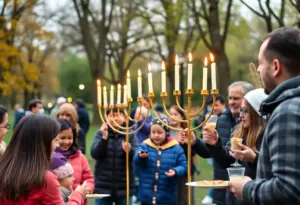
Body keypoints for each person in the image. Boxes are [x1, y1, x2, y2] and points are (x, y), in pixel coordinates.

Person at [228, 28, 300, 204]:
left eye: (260, 63)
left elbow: (288, 190)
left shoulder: (288, 110)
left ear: (275, 66)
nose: (258, 70)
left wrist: (246, 188)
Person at [0, 115, 87, 205]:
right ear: (42, 144)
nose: (57, 145)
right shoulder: (45, 180)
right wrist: (78, 195)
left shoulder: (4, 171)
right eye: (55, 140)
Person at [203, 89, 267, 205]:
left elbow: (273, 169)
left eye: (245, 111)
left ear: (257, 113)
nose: (241, 115)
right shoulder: (239, 131)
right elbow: (228, 159)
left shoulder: (267, 135)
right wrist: (215, 144)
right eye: (241, 110)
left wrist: (254, 158)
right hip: (233, 198)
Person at [208, 81, 253, 205]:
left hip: (247, 192)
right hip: (223, 189)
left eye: (236, 98)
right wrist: (198, 143)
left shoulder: (256, 128)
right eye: (230, 98)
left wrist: (254, 158)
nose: (232, 102)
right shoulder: (221, 119)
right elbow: (222, 155)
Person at [134, 117, 187, 205]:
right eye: (153, 132)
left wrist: (175, 171)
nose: (156, 135)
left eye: (159, 132)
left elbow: (184, 166)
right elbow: (137, 162)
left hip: (167, 197)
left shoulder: (176, 148)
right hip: (147, 197)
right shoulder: (145, 146)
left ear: (167, 133)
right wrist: (142, 157)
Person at [91, 108, 138, 205]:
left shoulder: (130, 134)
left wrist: (129, 151)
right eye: (112, 115)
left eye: (118, 115)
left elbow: (136, 156)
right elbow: (95, 154)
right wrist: (104, 138)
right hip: (103, 187)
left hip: (124, 187)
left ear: (125, 117)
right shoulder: (100, 133)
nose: (115, 118)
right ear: (106, 117)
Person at [169, 106, 211, 205]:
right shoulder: (166, 132)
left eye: (175, 114)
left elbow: (193, 153)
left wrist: (186, 143)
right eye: (171, 114)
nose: (172, 116)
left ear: (182, 117)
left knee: (185, 199)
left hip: (185, 172)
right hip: (169, 171)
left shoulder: (186, 132)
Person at [55, 118, 94, 203]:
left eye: (70, 138)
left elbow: (89, 179)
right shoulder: (50, 158)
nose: (67, 142)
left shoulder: (80, 157)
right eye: (63, 138)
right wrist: (76, 188)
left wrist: (87, 189)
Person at [201, 94, 226, 204]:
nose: (213, 108)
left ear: (224, 105)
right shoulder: (208, 117)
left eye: (216, 105)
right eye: (210, 105)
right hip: (211, 151)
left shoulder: (226, 118)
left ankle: (211, 197)